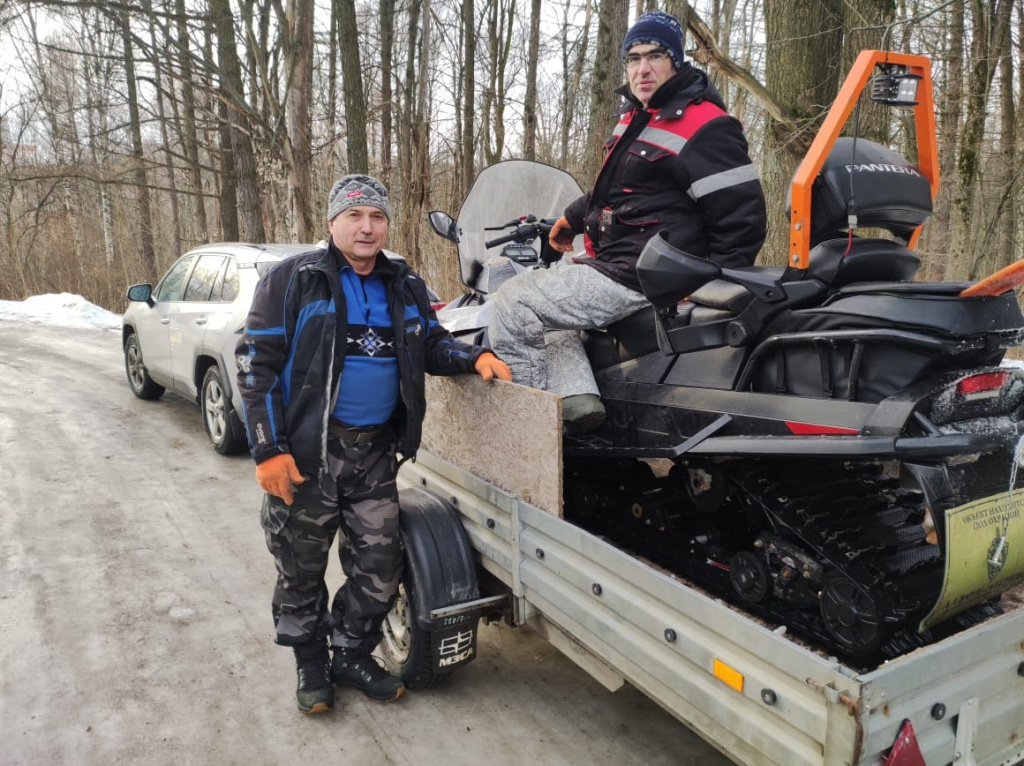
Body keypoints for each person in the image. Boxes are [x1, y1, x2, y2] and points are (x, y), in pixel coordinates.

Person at [236, 174, 511, 715]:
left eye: (377, 217)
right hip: (309, 455)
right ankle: (312, 666)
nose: (367, 227)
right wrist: (268, 449)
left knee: (380, 569)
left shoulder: (404, 283)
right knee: (301, 568)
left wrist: (471, 357)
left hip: (373, 455)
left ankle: (350, 652)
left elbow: (429, 343)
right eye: (355, 215)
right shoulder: (293, 280)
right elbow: (257, 366)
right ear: (332, 222)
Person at [489, 11, 766, 432]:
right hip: (615, 259)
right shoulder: (638, 115)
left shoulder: (705, 124)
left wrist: (716, 286)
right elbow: (617, 191)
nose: (643, 68)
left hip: (646, 272)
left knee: (514, 303)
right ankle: (577, 399)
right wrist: (571, 218)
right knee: (544, 285)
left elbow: (742, 215)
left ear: (676, 61)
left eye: (655, 56)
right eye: (634, 58)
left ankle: (531, 431)